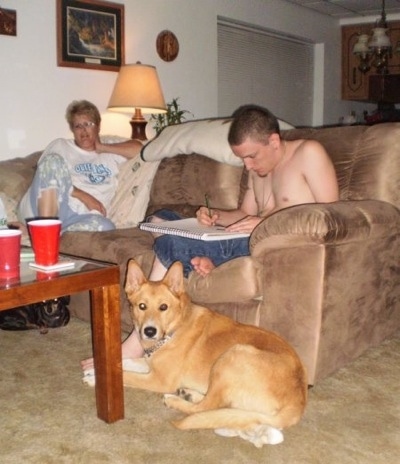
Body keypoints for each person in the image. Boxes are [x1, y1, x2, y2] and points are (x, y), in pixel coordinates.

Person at [81, 104, 339, 373]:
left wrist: (265, 223)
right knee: (160, 219)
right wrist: (214, 216)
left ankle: (134, 348)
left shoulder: (309, 153)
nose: (248, 166)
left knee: (169, 243)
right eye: (243, 160)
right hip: (241, 235)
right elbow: (244, 214)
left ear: (274, 141)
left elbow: (333, 215)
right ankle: (198, 257)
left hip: (267, 242)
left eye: (252, 157)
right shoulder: (256, 169)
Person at [18, 100, 142, 233]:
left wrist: (102, 147)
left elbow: (139, 149)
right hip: (54, 204)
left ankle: (45, 233)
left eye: (88, 124)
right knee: (52, 161)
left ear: (98, 126)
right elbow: (46, 173)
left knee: (106, 226)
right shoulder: (61, 146)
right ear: (73, 130)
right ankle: (44, 232)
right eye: (78, 126)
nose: (83, 130)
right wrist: (83, 195)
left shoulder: (111, 147)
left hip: (82, 217)